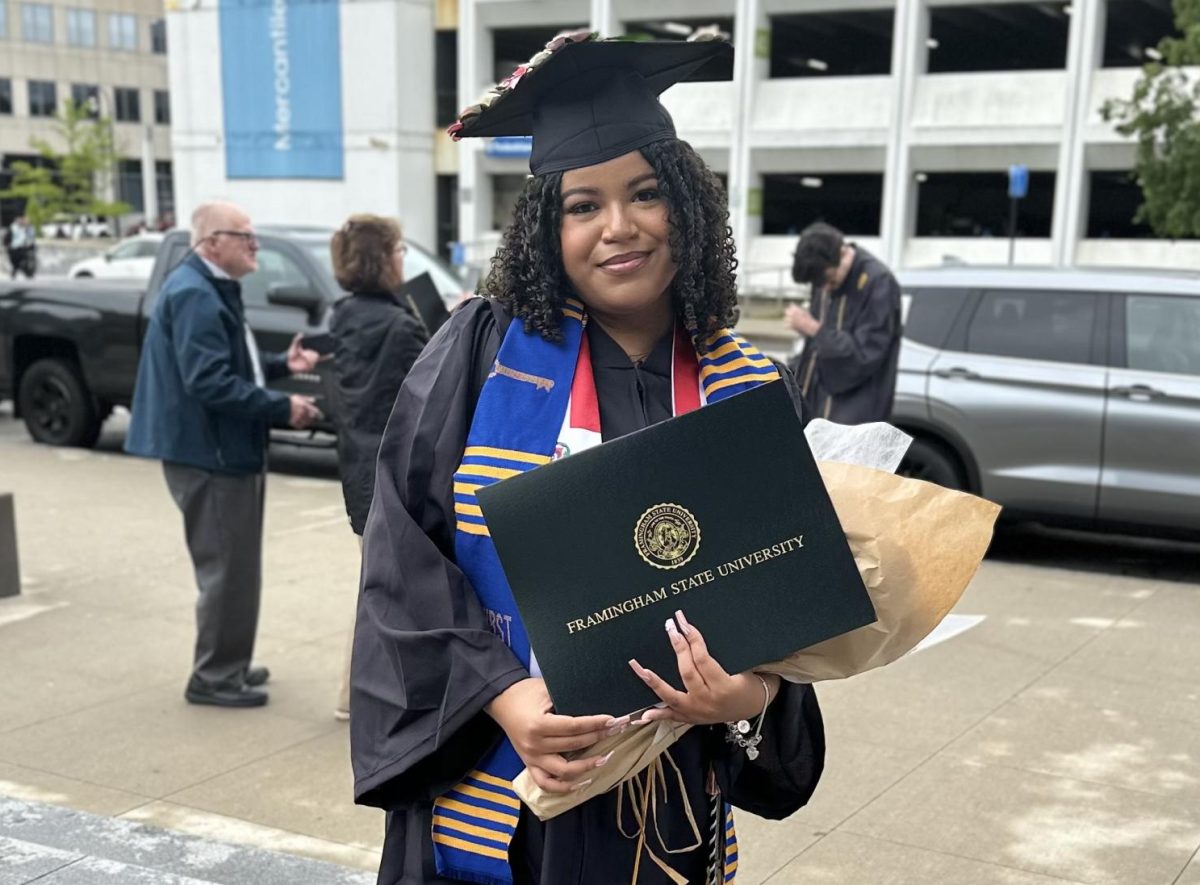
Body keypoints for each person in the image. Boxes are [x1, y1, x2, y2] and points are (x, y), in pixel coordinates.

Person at [350, 35, 824, 885]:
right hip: (502, 788)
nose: (619, 227)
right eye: (582, 205)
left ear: (686, 202)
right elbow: (401, 553)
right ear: (545, 224)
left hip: (671, 811)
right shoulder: (481, 355)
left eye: (646, 193)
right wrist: (505, 696)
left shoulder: (749, 386)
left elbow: (788, 609)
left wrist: (747, 699)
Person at [125, 201, 324, 709]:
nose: (254, 246)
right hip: (209, 455)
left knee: (237, 568)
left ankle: (229, 662)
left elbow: (235, 364)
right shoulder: (195, 293)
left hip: (220, 450)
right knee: (226, 569)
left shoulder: (208, 287)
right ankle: (213, 675)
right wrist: (284, 407)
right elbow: (209, 382)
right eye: (245, 237)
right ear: (212, 242)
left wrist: (283, 363)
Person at [327, 214, 428, 720]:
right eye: (399, 249)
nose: (402, 259)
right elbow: (428, 397)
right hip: (391, 474)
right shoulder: (397, 324)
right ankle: (361, 695)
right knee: (387, 590)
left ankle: (358, 693)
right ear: (382, 257)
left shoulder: (344, 315)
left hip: (358, 471)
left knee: (378, 583)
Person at [785, 221, 902, 424]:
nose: (827, 288)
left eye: (830, 280)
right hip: (819, 404)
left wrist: (813, 329)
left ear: (843, 253)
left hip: (856, 412)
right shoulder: (823, 281)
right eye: (820, 284)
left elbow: (865, 355)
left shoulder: (878, 282)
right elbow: (815, 351)